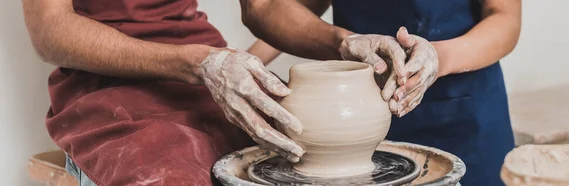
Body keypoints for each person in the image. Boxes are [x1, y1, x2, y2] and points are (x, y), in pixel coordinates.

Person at [22, 0, 412, 185]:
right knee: (172, 177)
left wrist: (342, 41)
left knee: (293, 159)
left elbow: (265, 6)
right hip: (106, 79)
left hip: (207, 65)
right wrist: (196, 63)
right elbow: (50, 29)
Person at [242, 0, 521, 185]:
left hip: (462, 112)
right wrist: (243, 63)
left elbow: (505, 18)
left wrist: (439, 58)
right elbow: (274, 7)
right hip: (351, 115)